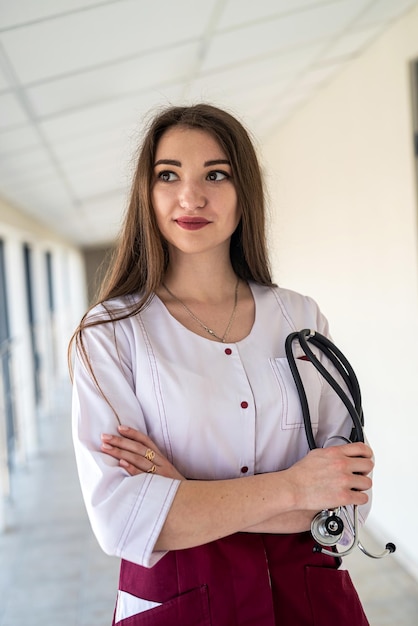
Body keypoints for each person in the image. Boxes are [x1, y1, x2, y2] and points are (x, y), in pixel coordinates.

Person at [70, 103, 373, 626]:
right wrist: (295, 487)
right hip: (179, 604)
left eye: (216, 174)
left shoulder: (299, 316)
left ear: (244, 193)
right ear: (147, 192)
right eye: (169, 175)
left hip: (309, 602)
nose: (191, 196)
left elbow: (347, 504)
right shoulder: (111, 333)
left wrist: (182, 493)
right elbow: (123, 521)